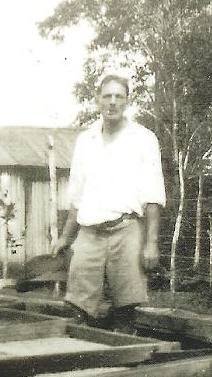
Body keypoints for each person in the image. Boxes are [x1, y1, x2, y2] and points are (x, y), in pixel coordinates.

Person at [51, 73, 166, 332]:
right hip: (90, 233)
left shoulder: (143, 139)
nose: (112, 102)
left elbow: (153, 196)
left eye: (119, 96)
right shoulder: (86, 141)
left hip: (126, 229)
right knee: (79, 304)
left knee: (125, 307)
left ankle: (125, 362)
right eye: (107, 96)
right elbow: (77, 197)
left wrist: (151, 244)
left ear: (127, 101)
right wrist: (65, 238)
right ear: (97, 100)